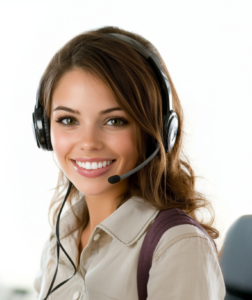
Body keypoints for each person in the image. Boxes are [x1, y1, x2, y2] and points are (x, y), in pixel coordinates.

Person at [33, 26, 225, 300]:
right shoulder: (63, 235)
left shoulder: (177, 246)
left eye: (114, 121)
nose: (88, 142)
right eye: (68, 120)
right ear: (43, 130)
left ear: (155, 130)